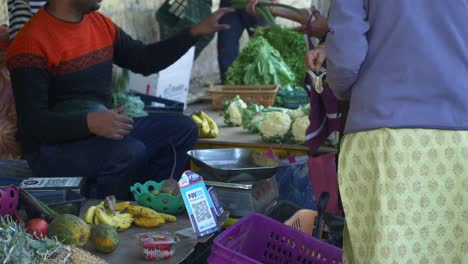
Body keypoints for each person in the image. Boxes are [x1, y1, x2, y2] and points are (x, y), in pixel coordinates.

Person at [6, 0, 234, 199]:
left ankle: (149, 201)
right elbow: (33, 123)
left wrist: (194, 32)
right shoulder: (31, 42)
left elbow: (145, 60)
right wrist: (89, 122)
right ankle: (104, 208)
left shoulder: (100, 24)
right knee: (128, 152)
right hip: (51, 151)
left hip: (98, 133)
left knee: (183, 129)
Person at [325, 0, 468, 263]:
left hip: (383, 138)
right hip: (460, 140)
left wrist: (342, 88)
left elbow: (344, 59)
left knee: (384, 250)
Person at [217, 0, 272, 83]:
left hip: (259, 4)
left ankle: (265, 89)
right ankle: (229, 87)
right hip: (230, 3)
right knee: (226, 47)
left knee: (263, 49)